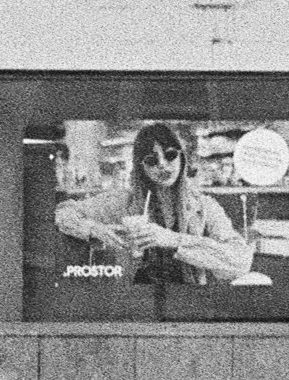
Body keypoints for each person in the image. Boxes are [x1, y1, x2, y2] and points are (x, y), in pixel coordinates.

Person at [56, 121, 255, 287]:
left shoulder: (204, 207)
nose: (162, 165)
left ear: (182, 158)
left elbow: (240, 261)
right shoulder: (124, 201)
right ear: (141, 168)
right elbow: (63, 213)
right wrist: (95, 229)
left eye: (170, 155)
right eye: (151, 160)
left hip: (188, 303)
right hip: (136, 301)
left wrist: (172, 239)